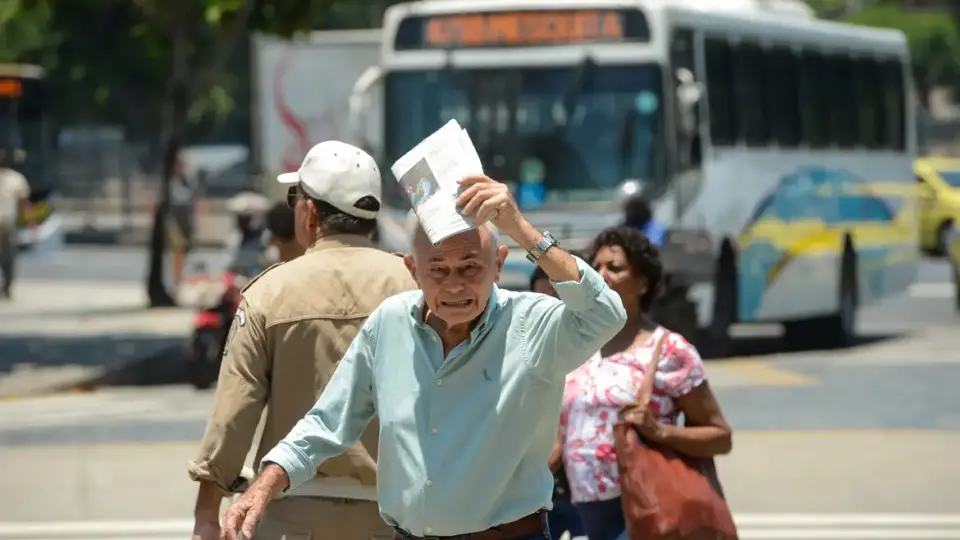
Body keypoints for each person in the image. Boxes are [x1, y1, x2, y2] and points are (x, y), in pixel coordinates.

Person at [219, 174, 628, 540]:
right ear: (413, 271)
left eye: (470, 266)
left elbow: (605, 313)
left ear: (498, 264)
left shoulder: (533, 325)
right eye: (439, 270)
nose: (454, 285)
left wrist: (520, 229)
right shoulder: (390, 323)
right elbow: (328, 422)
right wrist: (264, 485)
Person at [188, 141, 418, 540]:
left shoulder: (268, 292)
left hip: (289, 511)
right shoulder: (415, 285)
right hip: (397, 512)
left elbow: (234, 412)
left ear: (310, 213)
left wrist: (207, 515)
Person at [558, 226, 732, 540]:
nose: (602, 274)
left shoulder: (668, 350)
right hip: (582, 510)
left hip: (642, 507)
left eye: (615, 267)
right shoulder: (579, 344)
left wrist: (660, 432)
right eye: (596, 267)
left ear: (643, 283)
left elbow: (720, 436)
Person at [530, 266, 586, 540]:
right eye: (542, 301)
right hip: (537, 495)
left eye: (558, 299)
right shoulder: (525, 351)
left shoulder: (596, 349)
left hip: (587, 493)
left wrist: (563, 439)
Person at [167, 154, 207, 291]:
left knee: (184, 252)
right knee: (178, 251)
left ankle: (180, 277)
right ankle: (176, 280)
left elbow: (195, 200)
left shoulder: (189, 182)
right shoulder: (171, 182)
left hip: (187, 221)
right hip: (174, 222)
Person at [0, 147, 31, 299]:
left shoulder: (15, 179)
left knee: (8, 256)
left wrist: (30, 221)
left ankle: (7, 284)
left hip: (7, 223)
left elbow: (23, 202)